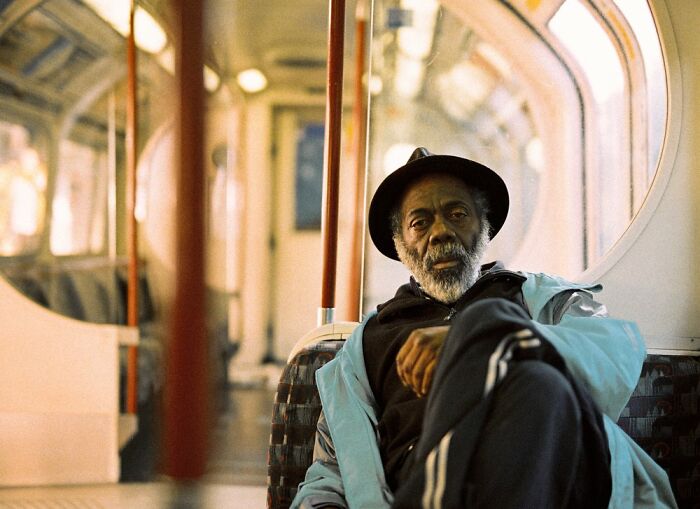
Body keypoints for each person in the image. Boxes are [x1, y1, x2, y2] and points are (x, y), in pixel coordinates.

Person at [291, 148, 677, 509]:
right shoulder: (368, 344)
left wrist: (484, 336)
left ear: (485, 227)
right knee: (535, 378)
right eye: (419, 222)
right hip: (423, 478)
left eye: (457, 214)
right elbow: (331, 470)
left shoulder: (541, 298)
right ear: (400, 244)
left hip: (551, 467)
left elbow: (614, 355)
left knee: (540, 384)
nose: (439, 232)